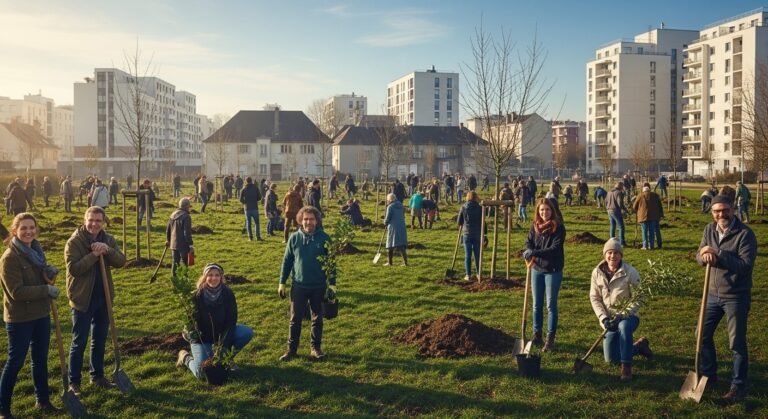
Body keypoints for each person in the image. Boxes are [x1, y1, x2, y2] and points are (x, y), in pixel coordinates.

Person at [0, 213, 62, 417]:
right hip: (20, 318)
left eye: (31, 227)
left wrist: (48, 272)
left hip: (41, 314)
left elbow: (39, 274)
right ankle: (3, 410)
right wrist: (46, 290)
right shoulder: (10, 258)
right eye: (24, 228)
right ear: (14, 231)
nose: (28, 231)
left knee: (40, 359)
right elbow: (16, 292)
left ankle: (42, 401)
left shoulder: (35, 250)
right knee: (15, 361)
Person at [696, 194, 757, 401]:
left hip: (735, 296)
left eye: (724, 210)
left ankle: (738, 386)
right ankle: (708, 374)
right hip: (712, 294)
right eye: (716, 211)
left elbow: (744, 266)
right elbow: (699, 256)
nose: (721, 214)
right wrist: (704, 253)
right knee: (701, 335)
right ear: (712, 212)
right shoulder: (709, 230)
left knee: (736, 343)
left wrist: (718, 253)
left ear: (732, 209)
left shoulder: (745, 234)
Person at [65, 206, 126, 395]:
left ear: (103, 222)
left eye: (98, 221)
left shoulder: (107, 239)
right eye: (91, 220)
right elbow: (74, 269)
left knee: (99, 339)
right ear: (85, 220)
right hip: (83, 298)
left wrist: (107, 250)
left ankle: (97, 376)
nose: (94, 224)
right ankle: (74, 382)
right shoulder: (74, 242)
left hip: (104, 297)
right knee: (79, 341)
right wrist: (94, 255)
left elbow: (121, 261)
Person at [589, 238, 653, 381]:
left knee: (624, 327)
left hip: (629, 317)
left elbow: (639, 297)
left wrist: (623, 314)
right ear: (605, 254)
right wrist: (603, 318)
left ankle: (626, 367)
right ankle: (638, 347)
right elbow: (595, 298)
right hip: (609, 320)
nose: (613, 256)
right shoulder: (597, 272)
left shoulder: (630, 272)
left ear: (621, 255)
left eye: (617, 253)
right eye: (610, 253)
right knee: (611, 360)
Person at [278, 206, 336, 361]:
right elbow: (287, 261)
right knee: (295, 318)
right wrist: (282, 282)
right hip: (299, 285)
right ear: (300, 220)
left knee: (317, 318)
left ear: (316, 221)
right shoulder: (294, 238)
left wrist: (332, 284)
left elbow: (331, 263)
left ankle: (315, 348)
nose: (308, 222)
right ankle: (291, 350)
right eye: (305, 219)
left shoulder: (324, 238)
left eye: (311, 219)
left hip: (318, 286)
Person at [176, 263, 253, 378]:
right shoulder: (196, 296)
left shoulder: (227, 294)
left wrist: (224, 345)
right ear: (205, 277)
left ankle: (226, 359)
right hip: (202, 338)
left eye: (217, 275)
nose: (213, 278)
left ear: (221, 277)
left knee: (246, 332)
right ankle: (185, 358)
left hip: (220, 335)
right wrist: (192, 333)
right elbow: (189, 322)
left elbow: (231, 321)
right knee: (201, 373)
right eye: (210, 275)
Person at [523, 198, 566, 352]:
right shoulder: (535, 226)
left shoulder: (558, 228)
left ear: (552, 211)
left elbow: (554, 249)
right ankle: (537, 335)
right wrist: (527, 250)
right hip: (537, 270)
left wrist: (533, 252)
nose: (544, 213)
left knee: (550, 305)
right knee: (536, 305)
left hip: (553, 270)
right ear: (538, 211)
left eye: (547, 210)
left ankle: (550, 338)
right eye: (541, 210)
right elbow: (529, 242)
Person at [457, 191, 482, 281]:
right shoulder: (480, 208)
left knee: (468, 254)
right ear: (476, 197)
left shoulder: (463, 207)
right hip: (477, 233)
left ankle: (468, 275)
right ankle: (479, 273)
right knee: (477, 254)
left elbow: (459, 221)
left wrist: (462, 224)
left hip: (466, 233)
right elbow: (483, 221)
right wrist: (485, 233)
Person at [166, 198, 194, 276]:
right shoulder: (186, 216)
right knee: (185, 263)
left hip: (173, 244)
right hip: (183, 244)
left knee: (175, 262)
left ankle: (174, 279)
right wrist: (191, 244)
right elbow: (187, 233)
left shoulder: (172, 215)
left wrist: (168, 240)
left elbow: (168, 230)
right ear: (187, 206)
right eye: (189, 206)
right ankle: (185, 280)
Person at [632, 183, 664, 250]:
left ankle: (645, 246)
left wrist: (637, 211)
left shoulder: (640, 195)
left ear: (643, 190)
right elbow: (660, 206)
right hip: (653, 217)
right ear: (649, 189)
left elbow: (634, 206)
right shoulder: (655, 195)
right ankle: (651, 246)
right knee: (652, 232)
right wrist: (661, 214)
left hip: (643, 217)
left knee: (644, 231)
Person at [383, 193, 408, 266]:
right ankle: (405, 262)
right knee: (401, 244)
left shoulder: (390, 207)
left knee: (390, 244)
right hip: (401, 226)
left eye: (387, 200)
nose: (387, 201)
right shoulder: (401, 205)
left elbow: (387, 218)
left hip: (393, 227)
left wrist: (385, 222)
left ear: (390, 199)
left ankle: (390, 262)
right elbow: (403, 216)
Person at [240, 177, 263, 241]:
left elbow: (240, 199)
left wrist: (245, 202)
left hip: (247, 208)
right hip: (255, 207)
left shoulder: (244, 189)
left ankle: (250, 237)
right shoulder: (255, 188)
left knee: (248, 223)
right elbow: (260, 197)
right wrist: (255, 200)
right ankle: (258, 237)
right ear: (251, 181)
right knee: (257, 223)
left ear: (246, 181)